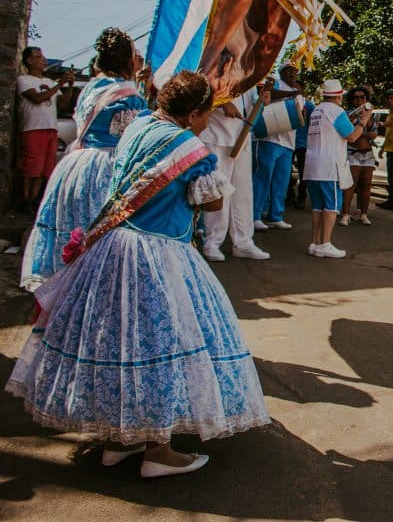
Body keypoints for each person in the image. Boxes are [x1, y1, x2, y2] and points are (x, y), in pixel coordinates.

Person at [6, 70, 270, 478]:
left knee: (118, 342)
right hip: (159, 253)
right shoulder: (189, 147)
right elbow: (214, 203)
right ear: (194, 113)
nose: (205, 124)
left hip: (113, 247)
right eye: (205, 116)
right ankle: (158, 450)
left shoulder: (137, 127)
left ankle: (118, 440)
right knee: (158, 344)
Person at [21, 29, 147, 291]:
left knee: (76, 226)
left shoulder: (90, 87)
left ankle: (66, 283)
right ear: (127, 60)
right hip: (109, 164)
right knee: (104, 231)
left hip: (76, 164)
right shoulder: (128, 94)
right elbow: (134, 136)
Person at [200, 84, 271, 262]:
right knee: (219, 191)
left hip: (242, 135)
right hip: (217, 134)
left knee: (243, 192)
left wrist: (262, 101)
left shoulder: (249, 73)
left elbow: (251, 103)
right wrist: (222, 102)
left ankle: (243, 242)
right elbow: (202, 87)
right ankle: (213, 242)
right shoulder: (216, 61)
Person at [305, 79, 371, 257]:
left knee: (317, 207)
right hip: (329, 166)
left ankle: (315, 243)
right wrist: (363, 120)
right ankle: (325, 243)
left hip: (312, 165)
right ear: (339, 96)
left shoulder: (317, 110)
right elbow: (352, 136)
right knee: (332, 206)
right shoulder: (336, 111)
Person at [17, 47, 76, 210]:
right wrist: (60, 85)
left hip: (51, 127)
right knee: (31, 166)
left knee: (45, 167)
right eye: (39, 57)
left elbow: (63, 104)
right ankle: (25, 198)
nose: (43, 60)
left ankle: (34, 199)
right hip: (33, 128)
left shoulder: (49, 82)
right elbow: (37, 98)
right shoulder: (24, 80)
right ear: (29, 60)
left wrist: (68, 86)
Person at [252, 65, 303, 231]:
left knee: (281, 181)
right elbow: (268, 95)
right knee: (263, 177)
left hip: (288, 143)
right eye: (289, 70)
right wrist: (292, 94)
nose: (292, 73)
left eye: (295, 71)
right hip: (270, 139)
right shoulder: (277, 83)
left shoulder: (298, 91)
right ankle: (255, 215)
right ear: (281, 72)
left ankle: (276, 216)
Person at [341, 86, 377, 226]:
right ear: (352, 99)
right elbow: (349, 133)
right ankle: (345, 214)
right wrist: (365, 134)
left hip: (367, 154)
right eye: (356, 97)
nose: (360, 100)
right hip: (352, 153)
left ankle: (363, 214)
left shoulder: (370, 115)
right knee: (351, 185)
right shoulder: (349, 114)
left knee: (366, 186)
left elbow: (374, 134)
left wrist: (362, 133)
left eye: (362, 97)